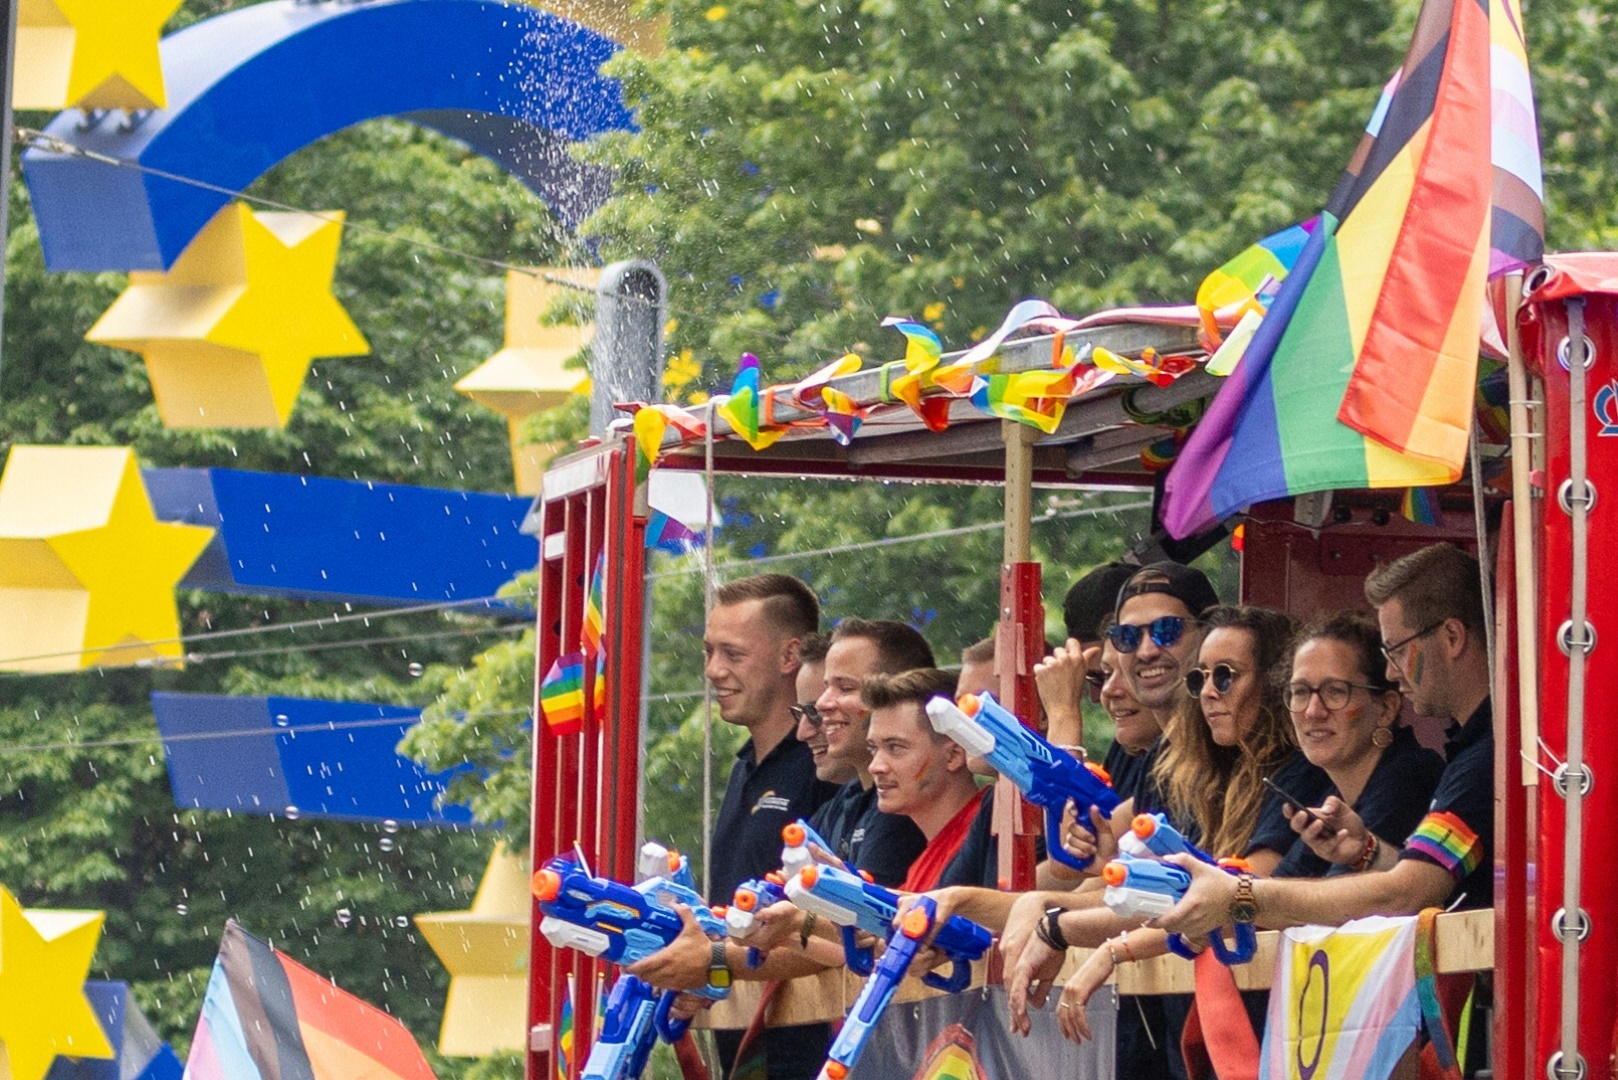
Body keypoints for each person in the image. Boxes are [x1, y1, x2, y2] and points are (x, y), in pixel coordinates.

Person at [1150, 543, 1493, 932]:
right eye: (1299, 692)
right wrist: (1369, 853)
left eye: (1397, 650)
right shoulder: (1473, 752)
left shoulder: (1481, 759)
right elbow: (1425, 888)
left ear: (1451, 636)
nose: (1394, 672)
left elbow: (1406, 893)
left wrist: (1239, 896)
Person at [627, 573, 838, 1080]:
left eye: (733, 654)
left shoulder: (825, 766)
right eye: (708, 652)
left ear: (790, 656)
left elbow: (842, 931)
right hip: (748, 1052)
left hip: (822, 1054)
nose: (713, 671)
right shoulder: (746, 767)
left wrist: (715, 959)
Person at [812, 619, 933, 883]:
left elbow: (864, 922)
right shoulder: (844, 801)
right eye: (826, 687)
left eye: (845, 688)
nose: (822, 703)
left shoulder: (902, 807)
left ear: (892, 695)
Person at [860, 668, 992, 891]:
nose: (875, 767)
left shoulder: (989, 831)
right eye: (874, 748)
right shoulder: (925, 861)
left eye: (895, 747)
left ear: (954, 755)